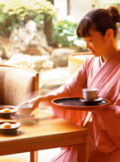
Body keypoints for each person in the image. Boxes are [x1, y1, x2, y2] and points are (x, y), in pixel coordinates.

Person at [20, 6, 120, 162]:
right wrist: (41, 99)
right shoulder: (89, 64)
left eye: (90, 40)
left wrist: (99, 109)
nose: (87, 46)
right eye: (84, 41)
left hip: (110, 144)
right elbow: (68, 91)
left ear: (108, 34)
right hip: (88, 135)